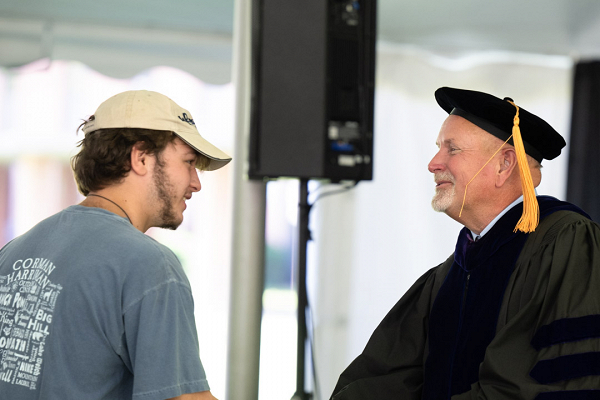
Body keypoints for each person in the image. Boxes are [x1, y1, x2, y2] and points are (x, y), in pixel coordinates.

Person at [330, 87, 600, 399]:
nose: (433, 163)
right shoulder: (448, 275)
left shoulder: (567, 246)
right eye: (437, 149)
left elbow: (537, 385)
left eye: (452, 149)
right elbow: (385, 378)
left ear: (504, 165)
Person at [0, 90, 232, 399]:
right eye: (188, 162)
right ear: (141, 157)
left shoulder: (13, 253)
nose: (196, 182)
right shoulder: (151, 265)